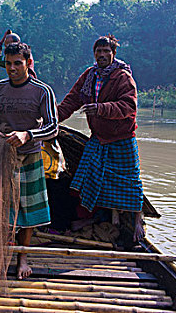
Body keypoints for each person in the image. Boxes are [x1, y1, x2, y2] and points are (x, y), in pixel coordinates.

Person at [0, 42, 58, 279]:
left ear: (28, 64)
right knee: (2, 209)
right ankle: (0, 254)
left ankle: (22, 257)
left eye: (17, 63)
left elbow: (53, 126)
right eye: (8, 63)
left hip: (31, 155)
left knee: (29, 210)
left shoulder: (42, 91)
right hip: (2, 156)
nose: (12, 68)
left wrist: (28, 134)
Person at [57, 35, 145, 242]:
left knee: (130, 181)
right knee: (90, 178)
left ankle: (137, 220)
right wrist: (53, 118)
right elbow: (72, 100)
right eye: (99, 51)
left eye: (107, 51)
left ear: (113, 54)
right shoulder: (90, 75)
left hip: (122, 137)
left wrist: (100, 109)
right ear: (94, 54)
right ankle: (101, 217)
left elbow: (128, 107)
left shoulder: (122, 77)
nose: (102, 55)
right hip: (99, 137)